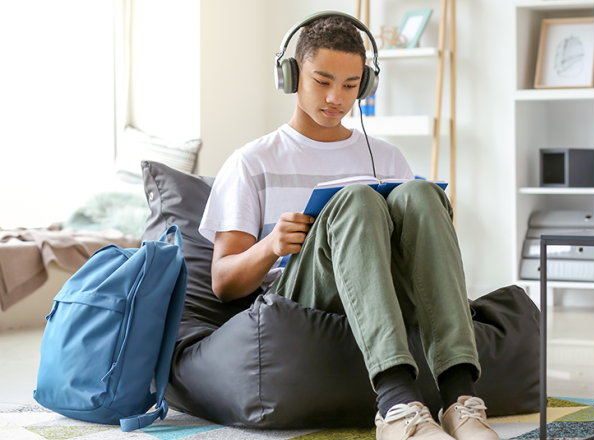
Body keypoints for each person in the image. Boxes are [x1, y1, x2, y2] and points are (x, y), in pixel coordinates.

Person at [198, 11, 500, 440]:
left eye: (351, 85)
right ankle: (397, 404)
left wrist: (430, 221)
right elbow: (222, 282)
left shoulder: (387, 157)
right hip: (302, 301)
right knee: (356, 198)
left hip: (384, 293)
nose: (336, 98)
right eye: (322, 81)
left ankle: (459, 399)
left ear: (366, 84)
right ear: (291, 75)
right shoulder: (252, 162)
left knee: (422, 193)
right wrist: (270, 246)